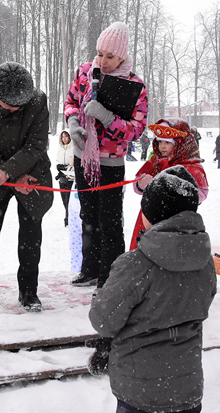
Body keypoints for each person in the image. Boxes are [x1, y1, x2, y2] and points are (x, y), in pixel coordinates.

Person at [89, 166, 217, 413]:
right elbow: (202, 303)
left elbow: (103, 321)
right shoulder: (205, 261)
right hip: (187, 387)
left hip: (140, 391)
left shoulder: (135, 264)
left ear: (152, 215)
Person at [64, 21, 148, 290]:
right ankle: (89, 269)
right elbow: (71, 103)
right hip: (83, 157)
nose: (102, 60)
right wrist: (74, 124)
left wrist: (106, 117)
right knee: (87, 216)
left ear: (122, 56)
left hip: (111, 162)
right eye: (100, 53)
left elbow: (136, 130)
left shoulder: (135, 86)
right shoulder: (85, 72)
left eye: (109, 56)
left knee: (109, 219)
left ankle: (110, 274)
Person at [0, 61, 54, 313]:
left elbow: (36, 145)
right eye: (10, 105)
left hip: (32, 173)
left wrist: (13, 173)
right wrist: (9, 176)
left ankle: (29, 291)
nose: (16, 109)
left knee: (30, 235)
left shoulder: (37, 101)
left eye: (20, 105)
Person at [129, 119, 209, 250]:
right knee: (144, 254)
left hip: (176, 221)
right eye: (160, 142)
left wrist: (167, 190)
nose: (162, 146)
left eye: (167, 142)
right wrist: (140, 184)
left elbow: (200, 193)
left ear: (180, 144)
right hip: (148, 217)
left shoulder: (191, 166)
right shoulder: (156, 161)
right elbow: (138, 183)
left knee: (168, 254)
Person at [55, 130, 75, 226]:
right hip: (62, 177)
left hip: (70, 177)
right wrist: (60, 167)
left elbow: (73, 163)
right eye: (62, 137)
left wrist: (67, 167)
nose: (64, 139)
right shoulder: (60, 148)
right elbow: (57, 162)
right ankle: (68, 216)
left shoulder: (73, 147)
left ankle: (68, 218)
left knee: (69, 200)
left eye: (66, 136)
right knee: (64, 199)